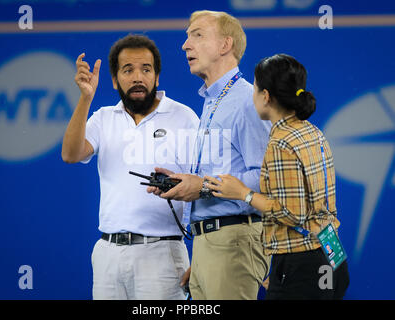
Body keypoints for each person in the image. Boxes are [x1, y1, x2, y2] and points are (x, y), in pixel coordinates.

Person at [61, 34, 199, 300]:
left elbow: (205, 185)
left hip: (162, 255)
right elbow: (70, 154)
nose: (138, 77)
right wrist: (85, 98)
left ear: (157, 77)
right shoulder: (102, 118)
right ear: (114, 80)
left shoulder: (184, 118)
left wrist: (201, 258)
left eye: (146, 69)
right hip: (108, 253)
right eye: (128, 70)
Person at [204, 53, 350, 299]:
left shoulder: (281, 142)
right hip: (332, 254)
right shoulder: (312, 131)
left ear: (266, 96)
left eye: (255, 88)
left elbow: (292, 213)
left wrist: (243, 193)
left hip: (304, 264)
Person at [149, 10, 272, 300]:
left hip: (234, 243)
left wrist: (202, 186)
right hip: (210, 245)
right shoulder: (213, 100)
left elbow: (266, 179)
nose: (185, 45)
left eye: (197, 35)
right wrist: (184, 184)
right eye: (187, 36)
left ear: (225, 45)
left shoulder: (246, 100)